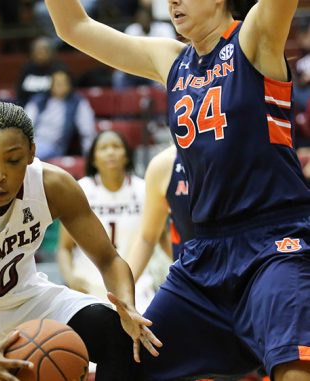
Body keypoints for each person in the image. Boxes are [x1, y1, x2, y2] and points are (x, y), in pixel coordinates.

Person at [46, 0, 310, 380]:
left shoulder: (254, 38)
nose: (172, 1)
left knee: (294, 367)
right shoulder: (169, 59)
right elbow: (74, 27)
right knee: (128, 362)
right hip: (203, 260)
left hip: (273, 245)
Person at [0, 102, 161, 381]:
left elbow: (108, 259)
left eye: (12, 160)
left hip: (23, 297)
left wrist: (128, 307)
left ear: (32, 153)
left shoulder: (54, 186)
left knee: (119, 334)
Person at [57, 130, 168, 314]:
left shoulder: (143, 190)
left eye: (116, 147)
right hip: (87, 287)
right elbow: (64, 248)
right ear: (93, 159)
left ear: (126, 156)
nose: (110, 152)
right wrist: (70, 278)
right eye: (103, 148)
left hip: (136, 286)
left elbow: (161, 236)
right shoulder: (80, 190)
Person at [126, 145, 194, 279]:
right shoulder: (164, 164)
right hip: (189, 275)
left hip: (236, 268)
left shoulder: (235, 155)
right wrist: (123, 289)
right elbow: (147, 238)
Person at [24, 69, 97, 160]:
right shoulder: (39, 100)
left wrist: (89, 155)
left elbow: (87, 130)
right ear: (51, 85)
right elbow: (24, 125)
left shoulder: (77, 102)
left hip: (54, 146)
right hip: (32, 141)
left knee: (29, 155)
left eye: (63, 82)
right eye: (56, 82)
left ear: (70, 85)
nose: (60, 86)